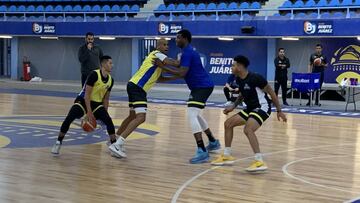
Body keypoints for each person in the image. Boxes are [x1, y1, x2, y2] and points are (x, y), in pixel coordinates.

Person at [211, 55, 287, 172]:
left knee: (248, 129)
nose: (231, 67)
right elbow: (242, 94)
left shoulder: (256, 78)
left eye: (233, 65)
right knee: (228, 124)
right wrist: (233, 106)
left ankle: (259, 161)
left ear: (240, 67)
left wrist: (279, 110)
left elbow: (272, 93)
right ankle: (227, 156)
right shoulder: (238, 79)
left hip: (262, 107)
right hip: (250, 108)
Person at [108, 38, 181, 158]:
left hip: (132, 85)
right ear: (158, 46)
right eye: (164, 44)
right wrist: (181, 61)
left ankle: (114, 140)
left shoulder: (158, 61)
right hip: (138, 88)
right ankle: (118, 144)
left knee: (132, 116)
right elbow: (174, 63)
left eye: (167, 44)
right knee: (141, 117)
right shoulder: (157, 54)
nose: (167, 46)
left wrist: (176, 77)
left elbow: (160, 78)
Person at [159, 29, 221, 164]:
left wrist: (162, 67)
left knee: (191, 114)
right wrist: (165, 74)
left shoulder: (188, 53)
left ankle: (202, 150)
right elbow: (177, 65)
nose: (175, 40)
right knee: (197, 115)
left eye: (178, 37)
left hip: (201, 86)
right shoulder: (186, 53)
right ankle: (213, 142)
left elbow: (181, 73)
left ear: (185, 39)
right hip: (202, 86)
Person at [51, 55, 116, 156]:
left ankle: (114, 146)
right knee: (69, 118)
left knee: (109, 121)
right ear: (103, 64)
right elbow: (87, 95)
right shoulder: (94, 75)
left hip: (97, 103)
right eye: (110, 63)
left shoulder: (111, 80)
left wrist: (105, 114)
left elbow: (106, 99)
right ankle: (58, 142)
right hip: (83, 100)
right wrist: (89, 113)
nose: (112, 65)